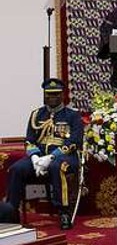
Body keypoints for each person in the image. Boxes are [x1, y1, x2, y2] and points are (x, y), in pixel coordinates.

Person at [4, 78, 84, 229]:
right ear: (44, 95)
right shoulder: (37, 115)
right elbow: (29, 140)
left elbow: (74, 142)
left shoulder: (72, 116)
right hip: (39, 157)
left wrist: (51, 157)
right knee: (17, 169)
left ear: (62, 95)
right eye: (49, 94)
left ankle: (64, 212)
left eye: (56, 94)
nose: (52, 97)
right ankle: (11, 211)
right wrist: (35, 158)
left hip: (66, 157)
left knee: (56, 167)